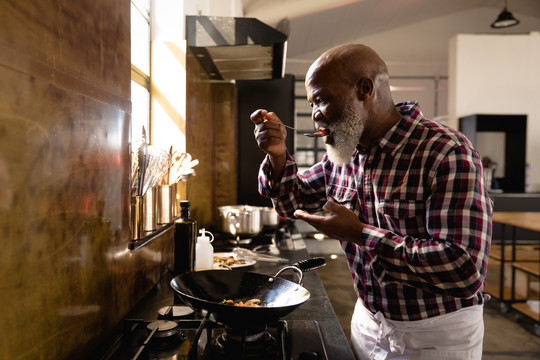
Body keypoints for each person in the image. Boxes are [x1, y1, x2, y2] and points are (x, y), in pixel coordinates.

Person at [250, 44, 493, 360]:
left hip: (436, 336)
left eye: (322, 99)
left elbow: (464, 270)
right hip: (368, 324)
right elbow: (290, 202)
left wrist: (360, 234)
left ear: (364, 89)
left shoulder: (445, 152)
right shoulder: (345, 155)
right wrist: (278, 154)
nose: (315, 115)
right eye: (311, 104)